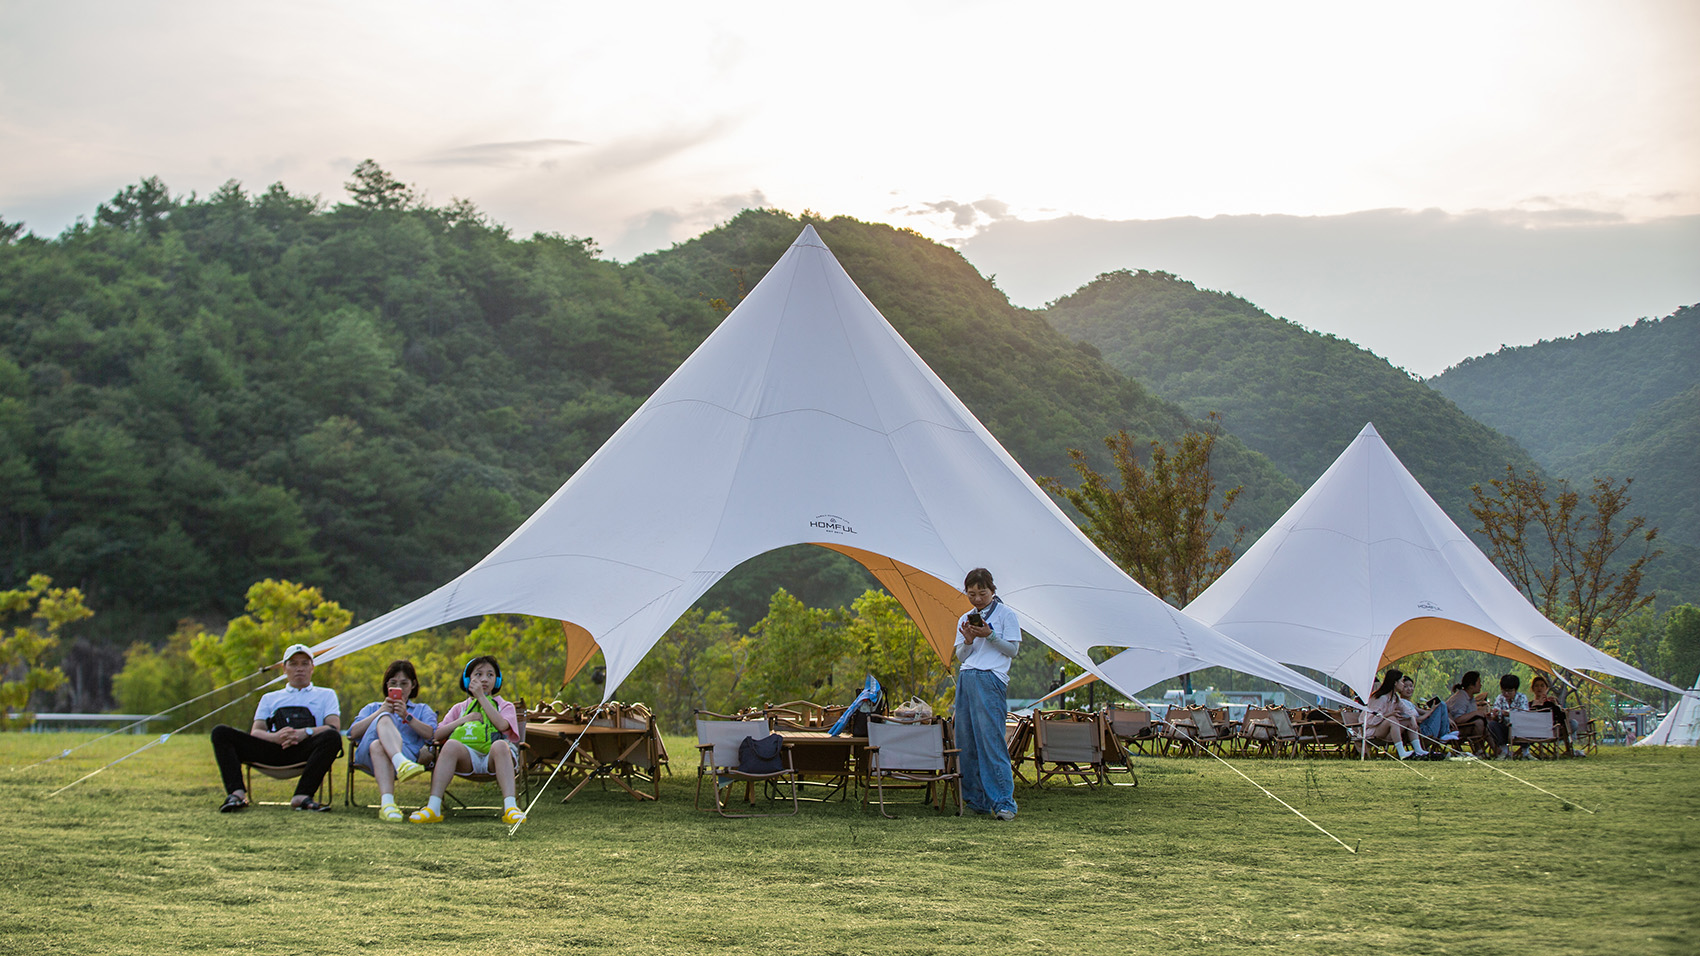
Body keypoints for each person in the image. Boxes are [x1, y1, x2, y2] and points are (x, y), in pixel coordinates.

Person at [210, 643, 342, 812]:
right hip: (272, 749)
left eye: (304, 663)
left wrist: (305, 733)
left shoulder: (326, 694)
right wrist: (275, 737)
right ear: (284, 669)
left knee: (332, 737)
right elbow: (256, 731)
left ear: (312, 668)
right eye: (293, 664)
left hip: (306, 751)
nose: (299, 669)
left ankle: (302, 795)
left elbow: (333, 726)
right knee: (221, 733)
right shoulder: (270, 698)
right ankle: (237, 795)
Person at [409, 656, 526, 825]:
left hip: (494, 758)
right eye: (478, 674)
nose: (484, 679)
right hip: (467, 758)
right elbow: (437, 734)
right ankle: (433, 808)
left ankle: (511, 807)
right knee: (450, 745)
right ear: (467, 680)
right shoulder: (460, 708)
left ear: (497, 680)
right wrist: (465, 719)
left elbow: (501, 725)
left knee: (500, 745)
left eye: (490, 675)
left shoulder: (505, 705)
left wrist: (481, 698)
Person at [954, 568, 1020, 821]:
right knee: (966, 741)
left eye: (982, 593)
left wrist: (990, 635)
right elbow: (960, 656)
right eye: (972, 594)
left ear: (993, 591)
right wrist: (969, 639)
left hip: (991, 676)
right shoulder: (966, 617)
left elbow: (1012, 651)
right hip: (967, 676)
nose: (977, 599)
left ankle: (1004, 802)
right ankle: (976, 800)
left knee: (991, 741)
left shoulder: (1006, 614)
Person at [347, 660, 440, 821]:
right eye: (393, 683)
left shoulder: (422, 709)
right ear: (386, 685)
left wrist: (406, 716)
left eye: (404, 683)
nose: (399, 688)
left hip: (409, 756)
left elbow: (432, 735)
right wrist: (380, 712)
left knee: (378, 745)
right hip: (367, 757)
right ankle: (399, 762)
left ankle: (388, 804)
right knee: (383, 719)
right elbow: (352, 733)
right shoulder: (372, 707)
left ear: (413, 685)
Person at [1365, 668, 1428, 758]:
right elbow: (1371, 721)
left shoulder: (1395, 697)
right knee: (1392, 719)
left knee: (1408, 719)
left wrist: (1413, 719)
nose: (1403, 685)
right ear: (1395, 683)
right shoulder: (1381, 698)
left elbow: (1408, 711)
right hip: (1373, 730)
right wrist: (1390, 715)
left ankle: (1418, 750)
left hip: (1388, 729)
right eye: (1402, 682)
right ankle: (1401, 752)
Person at [1528, 674, 1583, 758]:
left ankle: (1570, 749)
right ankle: (1571, 749)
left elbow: (1562, 717)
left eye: (1542, 686)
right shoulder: (1529, 704)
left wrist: (1556, 705)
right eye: (1536, 686)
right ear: (1533, 689)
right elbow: (1527, 718)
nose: (1539, 688)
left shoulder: (1550, 703)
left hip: (1553, 730)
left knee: (1572, 723)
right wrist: (1537, 704)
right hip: (1536, 730)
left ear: (1546, 688)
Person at [1400, 674, 1454, 749]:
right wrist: (1432, 710)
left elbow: (1424, 712)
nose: (1409, 689)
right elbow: (1418, 720)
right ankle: (1444, 734)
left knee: (1441, 705)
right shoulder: (1401, 703)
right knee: (1442, 704)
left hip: (1425, 728)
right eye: (1405, 687)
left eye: (1411, 686)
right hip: (1422, 732)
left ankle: (1445, 734)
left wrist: (1445, 717)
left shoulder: (1410, 703)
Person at [1487, 673, 1531, 759]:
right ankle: (1505, 751)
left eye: (1510, 691)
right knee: (1492, 725)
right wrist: (1495, 715)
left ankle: (1525, 752)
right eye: (1504, 691)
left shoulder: (1522, 698)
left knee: (1526, 725)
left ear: (1515, 690)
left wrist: (1510, 714)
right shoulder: (1500, 698)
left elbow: (1524, 714)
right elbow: (1497, 711)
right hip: (1505, 727)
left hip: (1519, 727)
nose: (1506, 694)